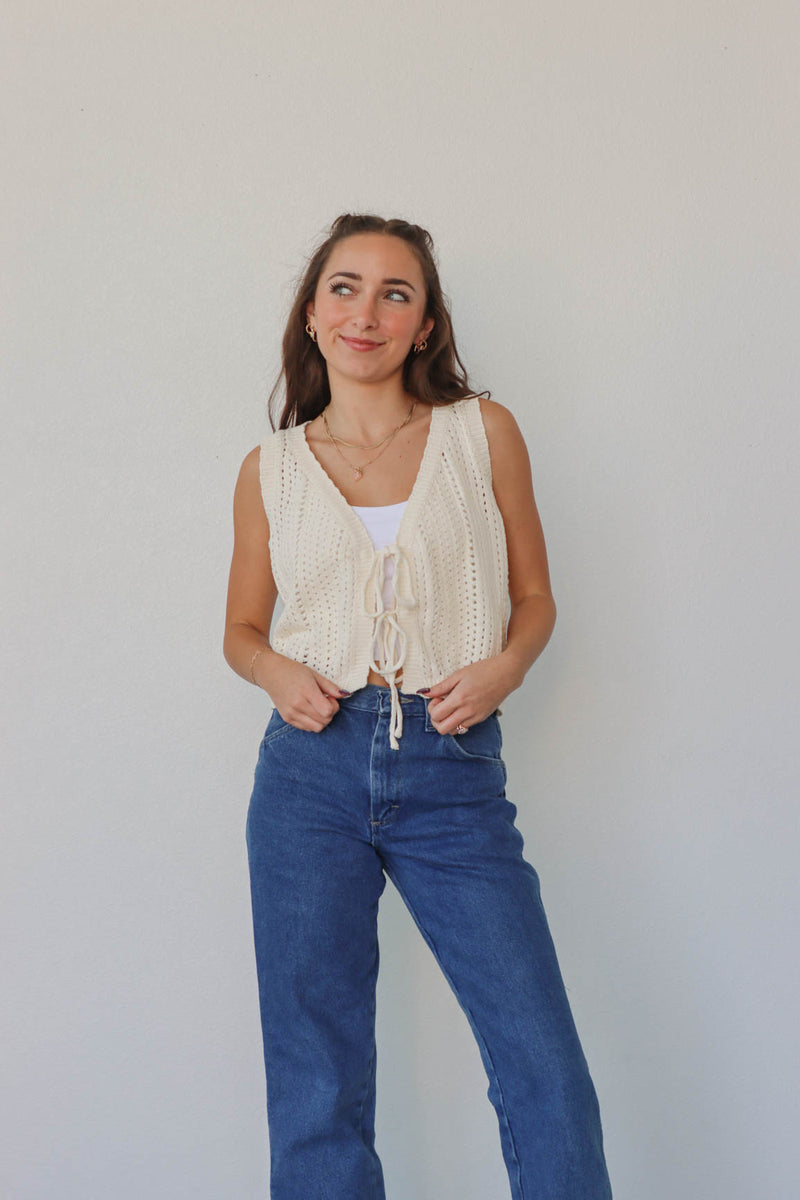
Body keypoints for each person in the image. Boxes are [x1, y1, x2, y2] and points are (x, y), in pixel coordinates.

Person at [223, 213, 613, 1200]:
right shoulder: (267, 471)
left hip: (451, 763)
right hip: (306, 777)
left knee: (539, 1064)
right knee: (317, 1077)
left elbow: (534, 596)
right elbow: (240, 630)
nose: (367, 311)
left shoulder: (478, 434)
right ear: (311, 316)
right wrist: (276, 675)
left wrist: (504, 669)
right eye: (344, 288)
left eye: (396, 293)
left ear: (425, 326)